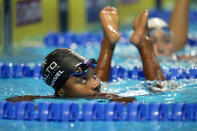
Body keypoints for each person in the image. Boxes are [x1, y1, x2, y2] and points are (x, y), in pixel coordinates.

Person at [6, 7, 165, 103]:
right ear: (61, 91)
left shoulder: (105, 96)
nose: (96, 84)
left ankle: (144, 46)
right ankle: (110, 43)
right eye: (82, 80)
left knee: (161, 91)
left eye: (94, 76)